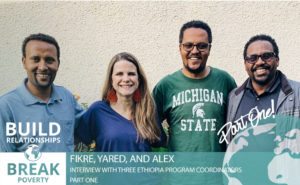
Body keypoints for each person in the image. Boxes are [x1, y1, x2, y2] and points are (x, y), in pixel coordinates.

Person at [152, 20, 236, 152]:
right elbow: (147, 123)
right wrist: (166, 140)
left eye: (202, 46)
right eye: (188, 45)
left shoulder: (224, 80)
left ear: (209, 49)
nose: (195, 51)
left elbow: (236, 123)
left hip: (217, 170)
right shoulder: (166, 86)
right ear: (180, 48)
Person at [0, 33, 85, 152]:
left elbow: (91, 126)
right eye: (36, 59)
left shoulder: (66, 97)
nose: (43, 67)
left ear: (58, 64)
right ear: (24, 62)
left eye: (49, 60)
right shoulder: (6, 106)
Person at [75, 52, 166, 152]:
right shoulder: (97, 111)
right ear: (111, 80)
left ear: (139, 79)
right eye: (119, 74)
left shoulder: (148, 110)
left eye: (131, 74)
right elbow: (72, 140)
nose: (126, 79)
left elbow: (163, 142)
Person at [224, 34, 300, 144]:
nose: (259, 62)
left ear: (277, 60)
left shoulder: (297, 94)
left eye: (267, 56)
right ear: (245, 64)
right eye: (252, 58)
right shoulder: (233, 98)